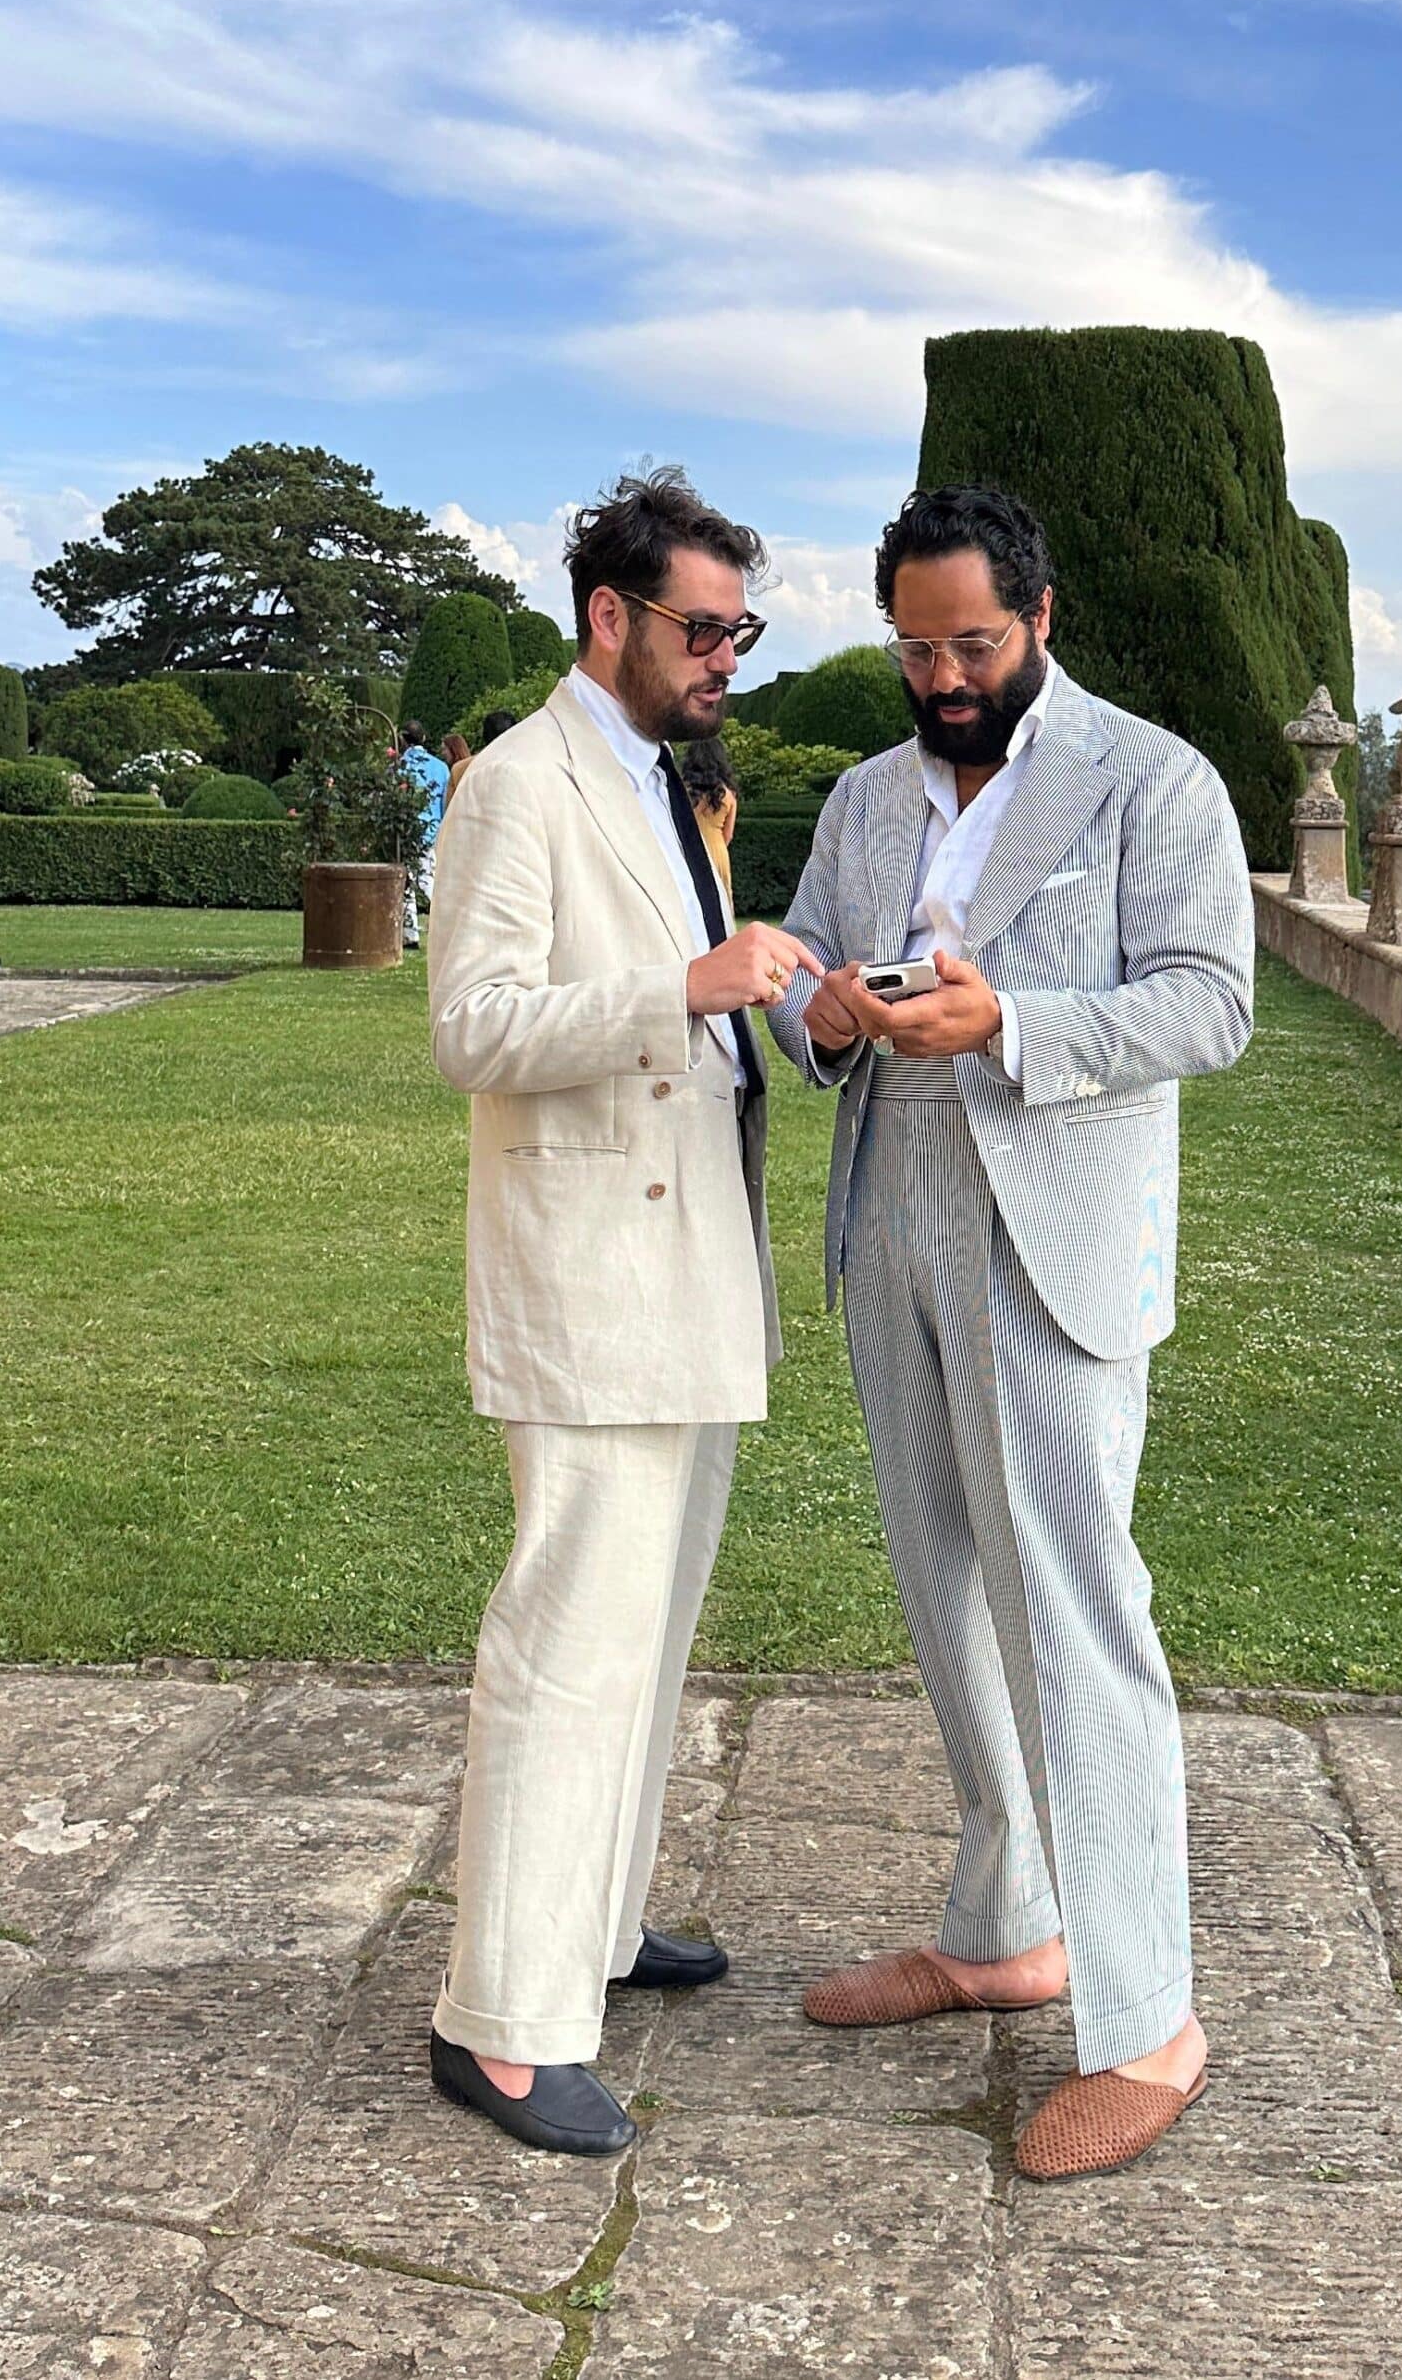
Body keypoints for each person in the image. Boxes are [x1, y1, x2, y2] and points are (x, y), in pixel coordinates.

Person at [766, 482, 1253, 2180]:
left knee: (1074, 1607)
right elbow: (804, 960)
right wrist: (827, 1010)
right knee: (941, 1584)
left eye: (973, 644)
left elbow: (1212, 1000)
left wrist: (1013, 1023)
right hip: (890, 1197)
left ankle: (1150, 2023)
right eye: (916, 649)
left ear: (1041, 617)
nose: (945, 678)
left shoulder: (1153, 778)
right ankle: (1005, 1931)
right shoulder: (863, 793)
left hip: (1049, 1218)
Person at [424, 467, 820, 2158]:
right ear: (611, 615)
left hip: (689, 1274)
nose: (727, 653)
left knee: (645, 1641)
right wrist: (683, 985)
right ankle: (502, 2024)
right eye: (704, 626)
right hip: (590, 1282)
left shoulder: (659, 781)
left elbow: (693, 1008)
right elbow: (473, 1026)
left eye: (741, 627)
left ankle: (589, 1925)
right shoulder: (519, 785)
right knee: (567, 1642)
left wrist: (780, 997)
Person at [398, 733, 451, 948]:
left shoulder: (400, 766)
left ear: (403, 739)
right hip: (432, 830)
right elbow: (445, 802)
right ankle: (445, 925)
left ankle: (410, 934)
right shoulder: (440, 767)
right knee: (429, 881)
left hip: (407, 829)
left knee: (407, 884)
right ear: (424, 737)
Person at [679, 732, 739, 904]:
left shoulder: (682, 792)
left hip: (688, 851)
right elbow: (728, 835)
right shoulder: (729, 795)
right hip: (718, 851)